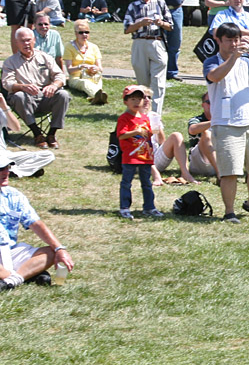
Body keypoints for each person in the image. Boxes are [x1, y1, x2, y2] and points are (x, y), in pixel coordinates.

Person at [203, 22, 249, 223]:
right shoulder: (211, 61)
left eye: (237, 40)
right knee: (230, 171)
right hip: (225, 124)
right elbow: (214, 77)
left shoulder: (245, 61)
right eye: (229, 40)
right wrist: (234, 57)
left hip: (248, 122)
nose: (234, 44)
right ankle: (229, 212)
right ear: (218, 41)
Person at [0, 147, 74, 289]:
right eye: (1, 169)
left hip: (9, 251)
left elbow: (36, 223)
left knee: (51, 252)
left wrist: (59, 249)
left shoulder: (14, 196)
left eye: (7, 168)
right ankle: (26, 274)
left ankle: (11, 280)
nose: (6, 172)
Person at [2, 27, 70, 149]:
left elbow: (60, 75)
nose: (26, 43)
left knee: (63, 95)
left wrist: (54, 86)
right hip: (24, 99)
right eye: (22, 41)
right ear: (16, 43)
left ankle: (51, 134)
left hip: (45, 96)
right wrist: (22, 86)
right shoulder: (10, 62)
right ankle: (37, 134)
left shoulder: (45, 57)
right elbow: (7, 83)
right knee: (19, 96)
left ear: (34, 40)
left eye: (28, 40)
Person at [125, 0, 174, 114]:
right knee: (142, 82)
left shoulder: (160, 3)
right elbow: (126, 29)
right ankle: (143, 113)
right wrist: (140, 23)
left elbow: (171, 26)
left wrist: (161, 23)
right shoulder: (133, 6)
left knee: (158, 82)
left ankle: (155, 115)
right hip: (139, 43)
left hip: (157, 42)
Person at [115, 85, 163, 219]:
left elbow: (148, 136)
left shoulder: (145, 118)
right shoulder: (124, 118)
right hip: (130, 157)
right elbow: (121, 135)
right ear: (126, 101)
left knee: (147, 183)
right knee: (126, 182)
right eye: (133, 99)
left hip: (145, 156)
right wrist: (135, 132)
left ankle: (149, 207)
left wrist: (153, 131)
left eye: (139, 99)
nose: (137, 102)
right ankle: (124, 207)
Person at [141, 89, 198, 185]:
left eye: (149, 97)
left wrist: (158, 129)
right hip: (139, 158)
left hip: (155, 157)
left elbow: (161, 141)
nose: (147, 100)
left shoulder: (153, 116)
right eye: (143, 97)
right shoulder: (131, 118)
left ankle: (185, 173)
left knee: (176, 136)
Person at [65, 19, 107, 104]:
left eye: (87, 32)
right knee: (85, 83)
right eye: (81, 32)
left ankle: (96, 97)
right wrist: (80, 67)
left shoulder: (94, 47)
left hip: (92, 76)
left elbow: (100, 68)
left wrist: (95, 68)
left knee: (96, 81)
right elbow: (69, 70)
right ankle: (97, 95)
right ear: (76, 34)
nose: (84, 35)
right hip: (76, 78)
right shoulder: (69, 47)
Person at [186, 93, 218, 179]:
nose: (213, 104)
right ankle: (220, 175)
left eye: (215, 101)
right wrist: (215, 121)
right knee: (207, 134)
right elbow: (192, 130)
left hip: (219, 158)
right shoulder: (196, 120)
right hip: (199, 163)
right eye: (209, 102)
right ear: (203, 105)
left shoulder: (225, 120)